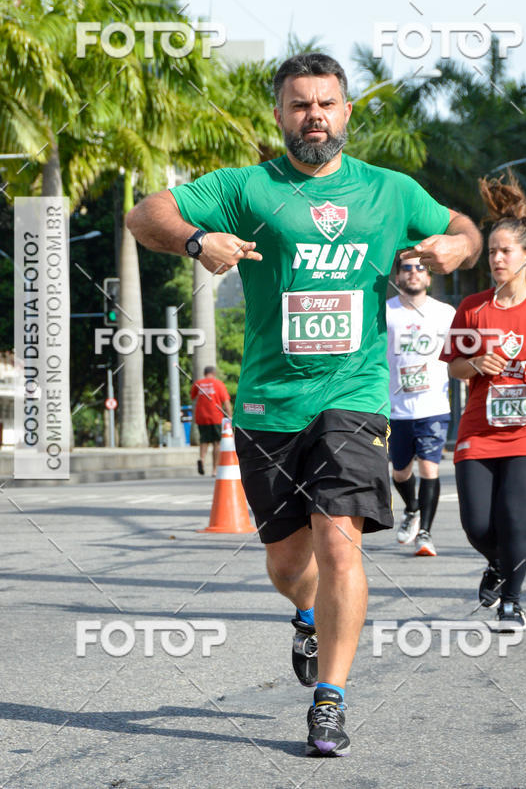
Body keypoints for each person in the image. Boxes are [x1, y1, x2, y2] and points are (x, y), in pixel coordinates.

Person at [126, 53, 482, 756]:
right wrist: (197, 240)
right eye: (299, 104)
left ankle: (331, 699)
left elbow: (464, 228)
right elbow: (146, 214)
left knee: (340, 539)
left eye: (326, 102)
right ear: (281, 115)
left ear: (346, 112)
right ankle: (308, 614)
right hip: (267, 402)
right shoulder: (247, 188)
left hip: (352, 395)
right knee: (290, 564)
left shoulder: (388, 191)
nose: (314, 114)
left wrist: (458, 246)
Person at [439, 175, 526, 632]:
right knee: (478, 526)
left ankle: (512, 601)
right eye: (492, 251)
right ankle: (498, 564)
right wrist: (475, 363)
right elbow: (452, 366)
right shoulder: (473, 308)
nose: (496, 258)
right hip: (479, 429)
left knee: (513, 516)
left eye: (505, 251)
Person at [386, 257, 455, 556]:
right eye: (407, 269)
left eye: (420, 268)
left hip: (433, 405)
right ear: (398, 276)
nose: (413, 273)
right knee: (400, 473)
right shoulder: (385, 313)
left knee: (429, 467)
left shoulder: (445, 313)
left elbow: (459, 354)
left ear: (429, 277)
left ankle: (425, 533)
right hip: (395, 409)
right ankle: (412, 509)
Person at [190, 366, 232, 476]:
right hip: (216, 416)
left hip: (201, 417)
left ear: (204, 373)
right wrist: (230, 417)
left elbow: (192, 396)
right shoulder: (219, 384)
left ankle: (202, 459)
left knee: (204, 440)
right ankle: (214, 470)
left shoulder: (198, 383)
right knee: (216, 443)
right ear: (214, 373)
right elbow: (226, 403)